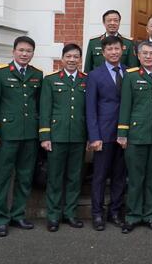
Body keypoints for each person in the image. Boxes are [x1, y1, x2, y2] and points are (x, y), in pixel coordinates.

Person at [0, 36, 43, 237]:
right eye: (21, 50)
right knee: (2, 178)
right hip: (7, 134)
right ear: (14, 51)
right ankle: (0, 219)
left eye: (28, 51)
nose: (24, 54)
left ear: (32, 53)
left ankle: (18, 214)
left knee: (25, 176)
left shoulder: (37, 74)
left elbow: (38, 104)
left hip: (29, 134)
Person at [117, 42, 152, 233]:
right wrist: (122, 132)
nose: (148, 56)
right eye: (144, 53)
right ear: (138, 56)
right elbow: (125, 105)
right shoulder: (130, 76)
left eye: (151, 53)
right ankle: (132, 216)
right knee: (136, 178)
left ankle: (150, 216)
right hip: (136, 135)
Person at [39, 43, 88, 232]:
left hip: (78, 136)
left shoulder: (86, 80)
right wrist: (45, 135)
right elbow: (45, 110)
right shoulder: (50, 80)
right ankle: (53, 216)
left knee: (74, 177)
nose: (72, 60)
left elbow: (88, 110)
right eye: (69, 56)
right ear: (62, 58)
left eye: (76, 57)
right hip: (57, 136)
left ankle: (70, 214)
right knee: (55, 177)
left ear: (80, 60)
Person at [85, 35, 127, 231]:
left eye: (116, 48)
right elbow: (90, 108)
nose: (113, 52)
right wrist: (94, 136)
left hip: (125, 134)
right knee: (100, 176)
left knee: (120, 176)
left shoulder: (130, 72)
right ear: (103, 53)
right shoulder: (94, 75)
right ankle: (97, 213)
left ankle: (115, 212)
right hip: (103, 134)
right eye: (109, 49)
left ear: (122, 49)